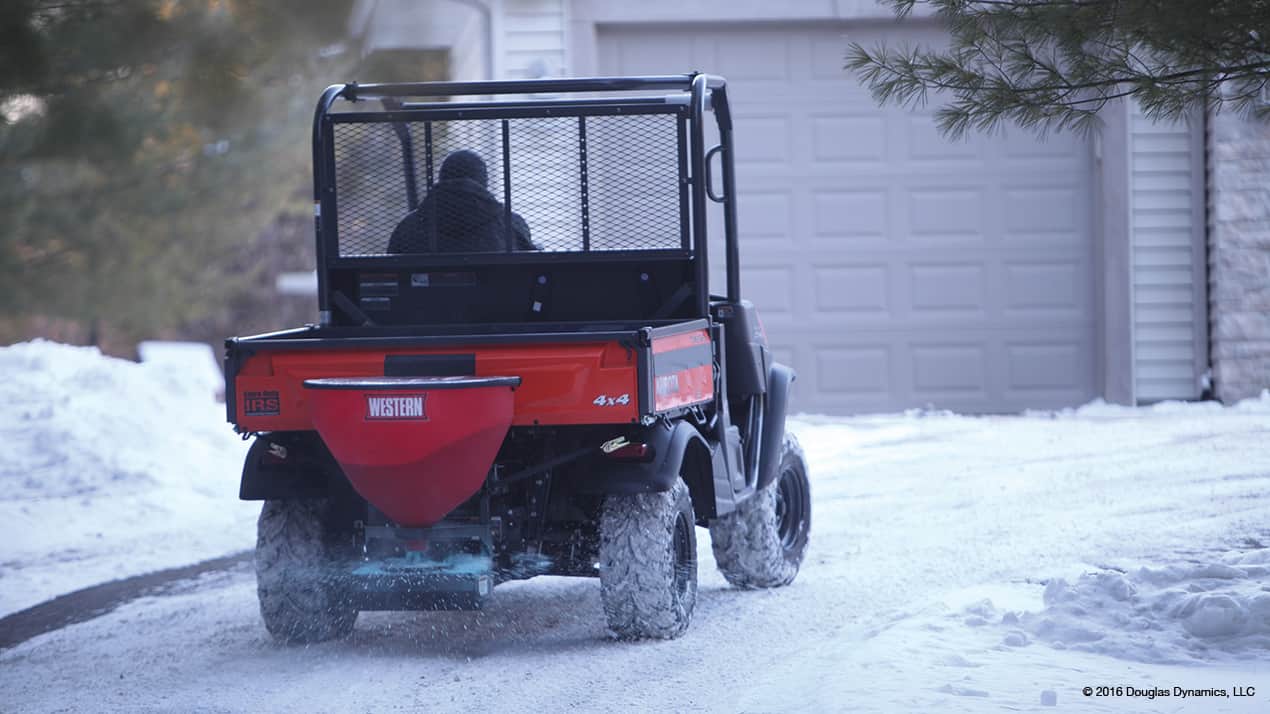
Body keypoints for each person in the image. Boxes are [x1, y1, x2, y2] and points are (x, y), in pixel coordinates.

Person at [387, 150, 535, 253]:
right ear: (484, 182)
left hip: (429, 299)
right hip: (498, 298)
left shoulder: (408, 228)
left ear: (441, 178)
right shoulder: (511, 225)